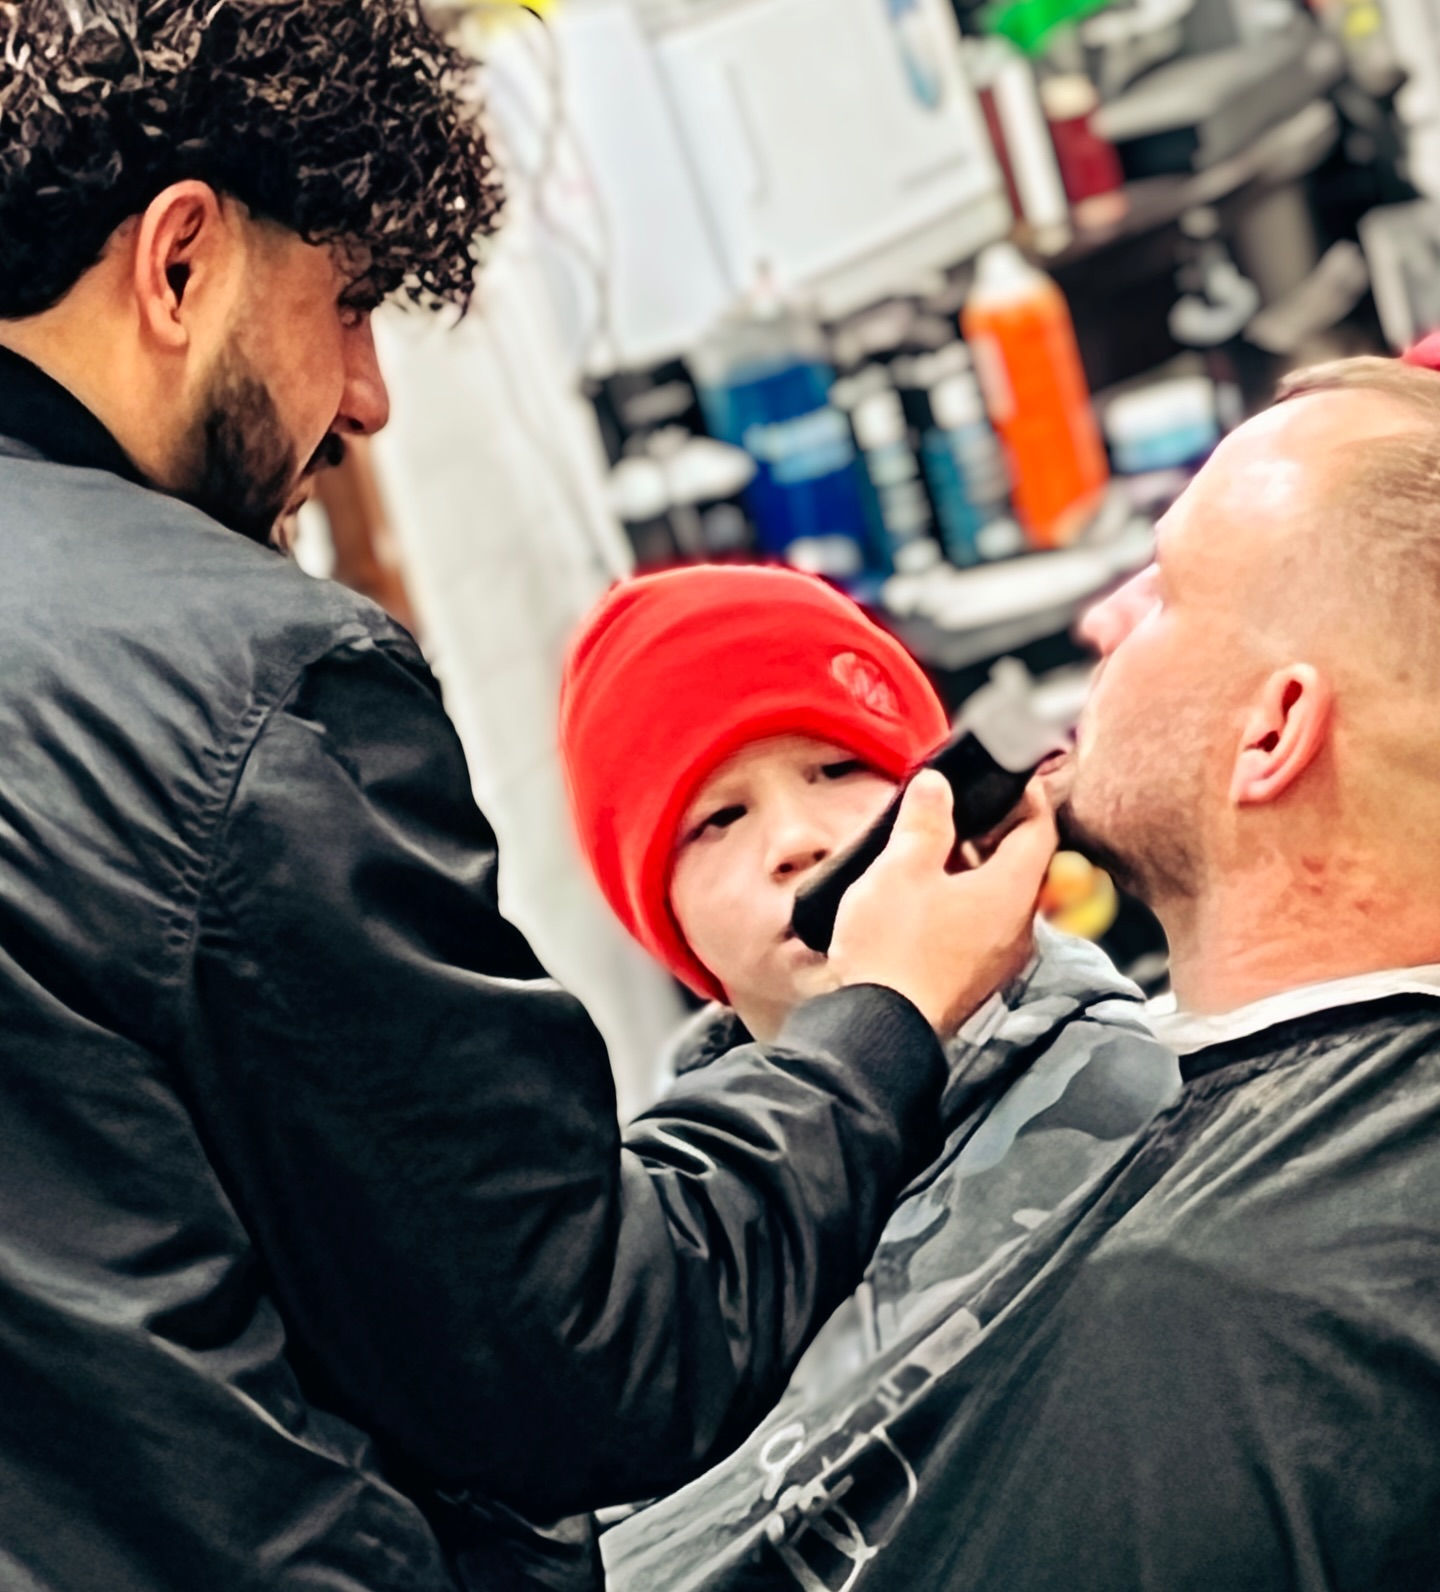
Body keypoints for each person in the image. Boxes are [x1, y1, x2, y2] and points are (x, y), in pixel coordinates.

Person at [0, 5, 1057, 1590]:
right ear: (178, 266)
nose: (367, 400)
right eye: (349, 306)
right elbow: (585, 1363)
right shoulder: (244, 685)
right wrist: (887, 1014)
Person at [592, 354, 1440, 1592]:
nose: (1100, 614)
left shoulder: (1207, 1306)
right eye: (717, 821)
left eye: (1164, 590)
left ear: (1272, 730)